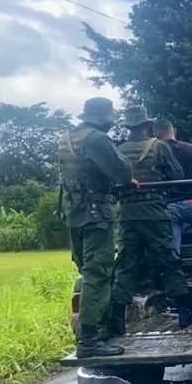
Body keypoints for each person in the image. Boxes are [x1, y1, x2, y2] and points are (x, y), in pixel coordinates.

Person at [108, 106, 192, 337]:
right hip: (155, 213)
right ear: (147, 125)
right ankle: (184, 312)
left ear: (128, 126)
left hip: (127, 215)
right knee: (169, 261)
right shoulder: (158, 147)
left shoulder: (117, 150)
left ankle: (117, 319)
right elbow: (177, 175)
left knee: (126, 265)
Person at [58, 97, 134, 358]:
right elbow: (123, 172)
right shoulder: (97, 139)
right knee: (98, 274)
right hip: (96, 213)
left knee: (88, 272)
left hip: (75, 212)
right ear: (104, 120)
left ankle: (96, 330)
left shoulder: (68, 138)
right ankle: (90, 339)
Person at [154, 119, 192, 273]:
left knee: (174, 233)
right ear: (173, 130)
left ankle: (175, 267)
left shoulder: (156, 151)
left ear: (156, 134)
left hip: (169, 204)